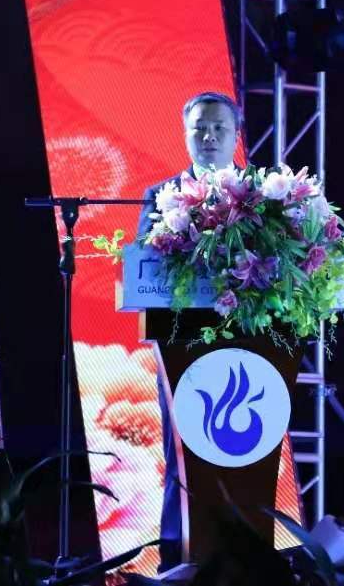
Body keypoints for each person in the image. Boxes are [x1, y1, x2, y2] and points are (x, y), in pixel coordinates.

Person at [135, 91, 242, 572]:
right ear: (186, 135)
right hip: (182, 344)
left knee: (239, 456)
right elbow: (145, 267)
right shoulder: (160, 196)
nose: (210, 136)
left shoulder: (261, 195)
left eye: (219, 128)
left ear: (235, 137)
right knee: (183, 454)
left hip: (246, 344)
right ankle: (176, 560)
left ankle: (242, 562)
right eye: (200, 128)